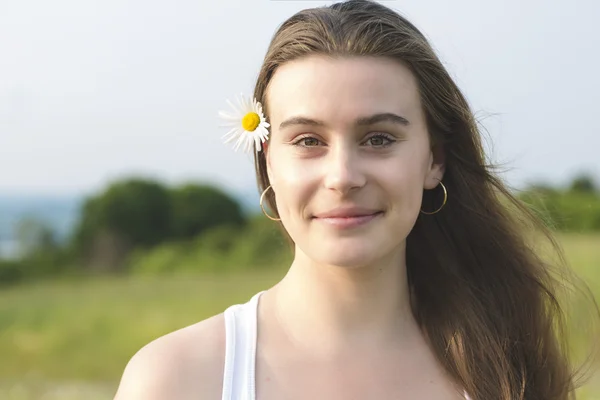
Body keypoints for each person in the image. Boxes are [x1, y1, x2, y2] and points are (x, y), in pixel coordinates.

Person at [113, 1, 598, 399]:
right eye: (307, 141)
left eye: (379, 139)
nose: (342, 177)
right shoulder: (173, 381)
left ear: (435, 161)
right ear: (268, 164)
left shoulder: (505, 366)